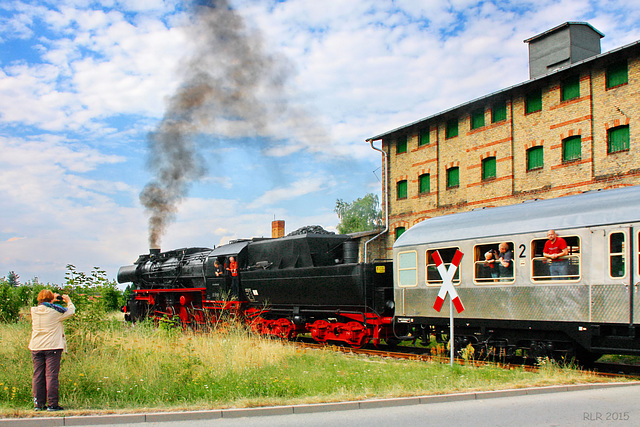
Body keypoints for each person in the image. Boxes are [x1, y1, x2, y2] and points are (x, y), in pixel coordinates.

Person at [29, 290, 75, 412]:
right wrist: (68, 301)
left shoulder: (34, 310)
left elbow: (43, 306)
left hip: (36, 346)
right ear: (51, 299)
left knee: (38, 375)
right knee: (51, 376)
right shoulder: (55, 312)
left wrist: (49, 299)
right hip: (52, 346)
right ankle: (52, 404)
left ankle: (38, 403)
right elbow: (70, 311)